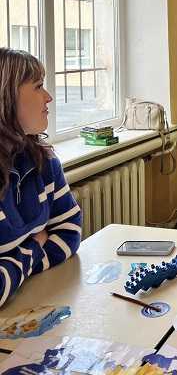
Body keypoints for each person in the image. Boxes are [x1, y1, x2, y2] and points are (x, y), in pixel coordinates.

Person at [0, 47, 81, 307]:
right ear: (6, 96)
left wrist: (14, 266)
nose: (48, 97)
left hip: (30, 303)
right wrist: (36, 245)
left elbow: (70, 231)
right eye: (38, 86)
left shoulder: (42, 159)